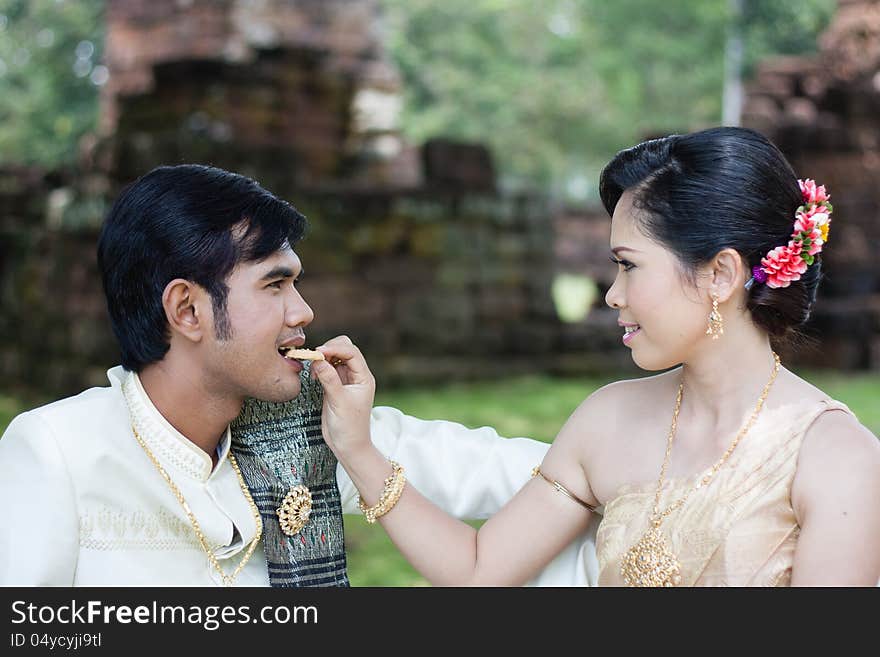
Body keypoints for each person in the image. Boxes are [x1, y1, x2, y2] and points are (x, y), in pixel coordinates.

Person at [313, 126, 880, 587]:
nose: (612, 293)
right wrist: (359, 451)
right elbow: (478, 571)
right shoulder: (608, 419)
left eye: (629, 264)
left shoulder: (835, 459)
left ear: (720, 274)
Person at [0, 164, 590, 586]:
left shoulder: (302, 422)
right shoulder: (59, 450)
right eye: (275, 285)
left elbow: (484, 468)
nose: (303, 311)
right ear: (187, 310)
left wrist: (634, 465)